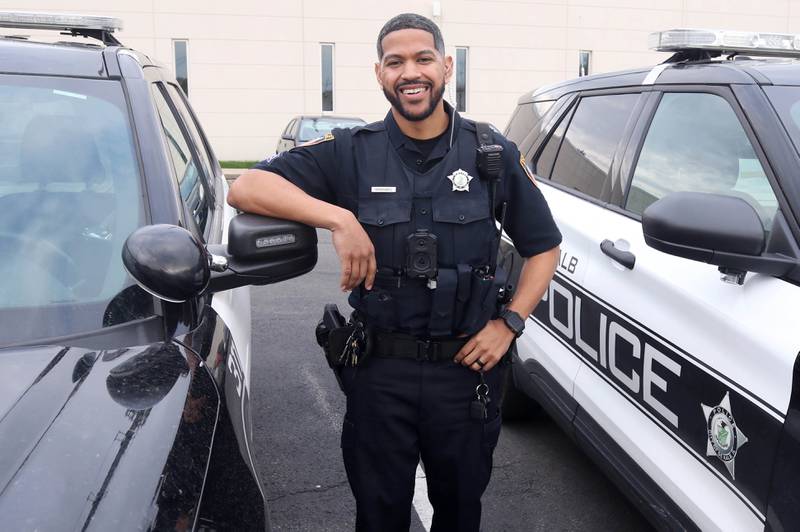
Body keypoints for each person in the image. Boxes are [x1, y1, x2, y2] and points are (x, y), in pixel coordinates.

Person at [228, 13, 561, 532]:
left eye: (423, 59)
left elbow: (545, 248)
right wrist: (337, 217)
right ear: (379, 74)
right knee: (379, 515)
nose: (411, 72)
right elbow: (246, 186)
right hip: (381, 373)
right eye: (396, 62)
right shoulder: (350, 153)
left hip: (466, 370)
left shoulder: (490, 153)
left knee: (459, 514)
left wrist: (509, 324)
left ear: (446, 67)